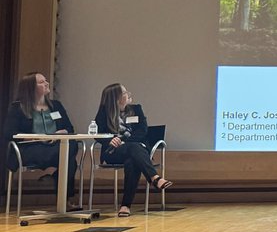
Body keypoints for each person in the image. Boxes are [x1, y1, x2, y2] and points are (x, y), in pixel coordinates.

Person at [2, 72, 81, 208]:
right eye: (41, 82)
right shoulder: (18, 108)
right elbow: (9, 132)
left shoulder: (56, 106)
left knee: (71, 147)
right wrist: (36, 137)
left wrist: (63, 132)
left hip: (55, 146)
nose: (47, 83)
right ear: (30, 87)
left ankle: (61, 194)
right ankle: (64, 200)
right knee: (68, 160)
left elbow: (69, 127)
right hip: (30, 148)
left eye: (46, 81)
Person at [94, 83, 171, 217]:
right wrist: (109, 140)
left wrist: (124, 142)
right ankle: (154, 177)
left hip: (135, 151)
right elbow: (97, 134)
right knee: (134, 148)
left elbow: (142, 131)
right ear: (117, 98)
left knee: (132, 161)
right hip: (114, 152)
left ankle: (125, 206)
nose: (128, 94)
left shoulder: (136, 109)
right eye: (124, 93)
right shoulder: (103, 113)